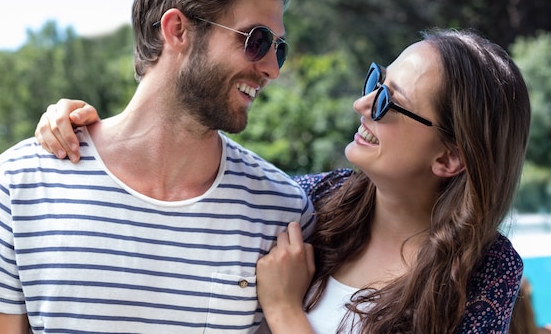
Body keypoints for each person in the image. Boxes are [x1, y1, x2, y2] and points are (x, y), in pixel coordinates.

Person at [37, 28, 531, 333]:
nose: (363, 105)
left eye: (387, 102)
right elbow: (201, 182)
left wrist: (285, 312)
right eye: (374, 82)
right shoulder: (315, 201)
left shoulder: (486, 272)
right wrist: (96, 131)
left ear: (449, 157)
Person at [0, 0, 315, 334]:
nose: (272, 69)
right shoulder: (19, 184)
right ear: (177, 30)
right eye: (256, 41)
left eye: (279, 48)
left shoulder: (282, 214)